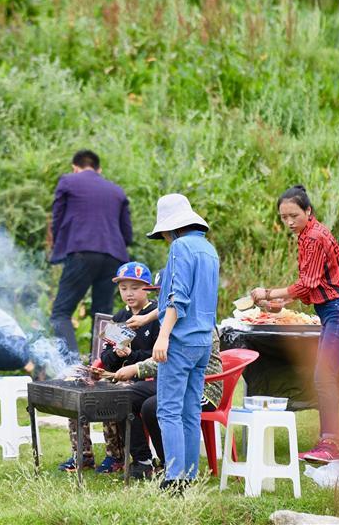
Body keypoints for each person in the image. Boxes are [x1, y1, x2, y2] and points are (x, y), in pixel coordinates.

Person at [250, 185, 339, 463]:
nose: (288, 222)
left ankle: (330, 444)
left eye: (293, 215)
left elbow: (306, 284)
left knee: (324, 377)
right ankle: (333, 442)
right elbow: (315, 286)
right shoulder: (307, 234)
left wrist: (269, 293)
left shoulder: (313, 237)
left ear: (308, 211)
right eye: (283, 217)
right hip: (334, 310)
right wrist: (281, 304)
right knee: (324, 377)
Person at [146, 194, 219, 492]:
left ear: (173, 228)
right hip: (203, 342)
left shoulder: (180, 246)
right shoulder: (209, 249)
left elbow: (178, 296)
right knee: (191, 410)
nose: (164, 239)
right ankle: (189, 476)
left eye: (164, 233)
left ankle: (174, 478)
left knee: (168, 410)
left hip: (179, 340)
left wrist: (162, 336)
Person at [57, 262, 159, 474]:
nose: (129, 293)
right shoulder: (120, 318)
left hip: (145, 379)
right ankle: (82, 454)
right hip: (117, 374)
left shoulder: (155, 316)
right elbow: (106, 355)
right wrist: (115, 354)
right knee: (79, 389)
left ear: (148, 288)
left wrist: (132, 355)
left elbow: (156, 357)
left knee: (111, 394)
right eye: (123, 289)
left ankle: (116, 455)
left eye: (135, 287)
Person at [49, 150, 133, 361]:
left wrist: (59, 246)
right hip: (114, 255)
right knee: (103, 317)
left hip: (82, 251)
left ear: (75, 167)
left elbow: (57, 218)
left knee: (60, 312)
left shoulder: (69, 181)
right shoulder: (117, 191)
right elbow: (127, 234)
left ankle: (72, 365)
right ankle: (100, 365)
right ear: (99, 169)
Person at [112, 327, 224, 481]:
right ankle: (143, 461)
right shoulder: (173, 321)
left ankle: (170, 465)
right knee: (125, 397)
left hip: (202, 388)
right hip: (173, 381)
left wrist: (137, 368)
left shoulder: (199, 325)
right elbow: (162, 354)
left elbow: (179, 360)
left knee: (152, 407)